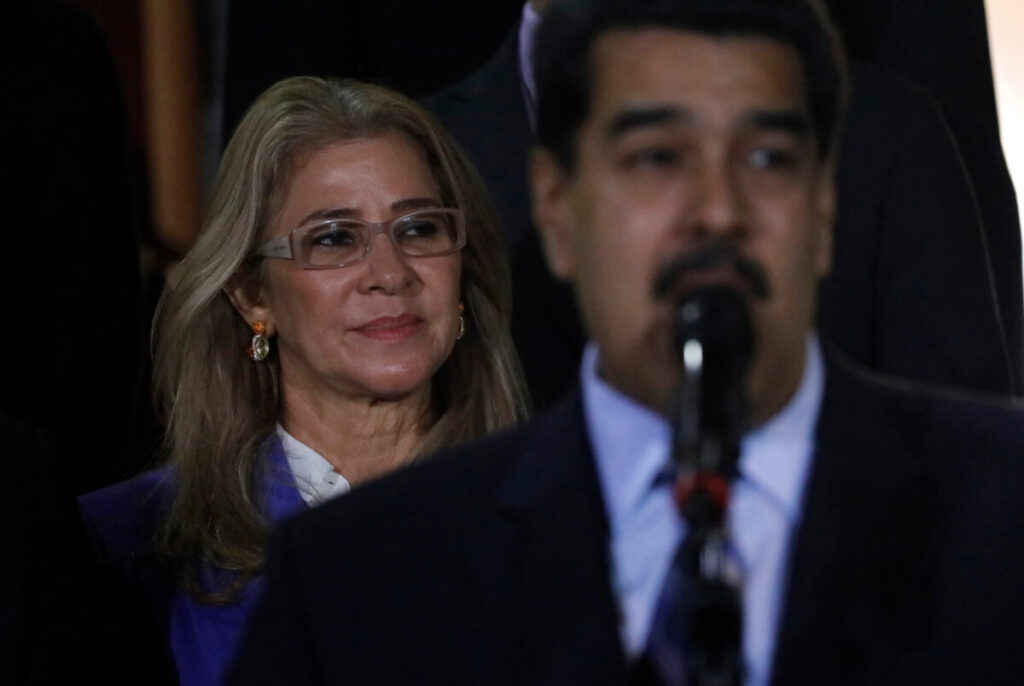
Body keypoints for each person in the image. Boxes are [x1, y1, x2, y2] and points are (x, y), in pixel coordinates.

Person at [229, 2, 1024, 685]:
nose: (717, 211)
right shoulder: (357, 576)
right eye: (655, 159)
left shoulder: (1000, 517)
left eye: (766, 158)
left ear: (822, 210)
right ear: (556, 210)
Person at [78, 76, 529, 686]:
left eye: (419, 228)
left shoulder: (570, 518)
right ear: (252, 294)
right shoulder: (128, 546)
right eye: (334, 238)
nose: (390, 273)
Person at [425, 0, 1018, 411]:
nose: (717, 212)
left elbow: (962, 455)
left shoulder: (887, 130)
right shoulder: (421, 148)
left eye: (766, 161)